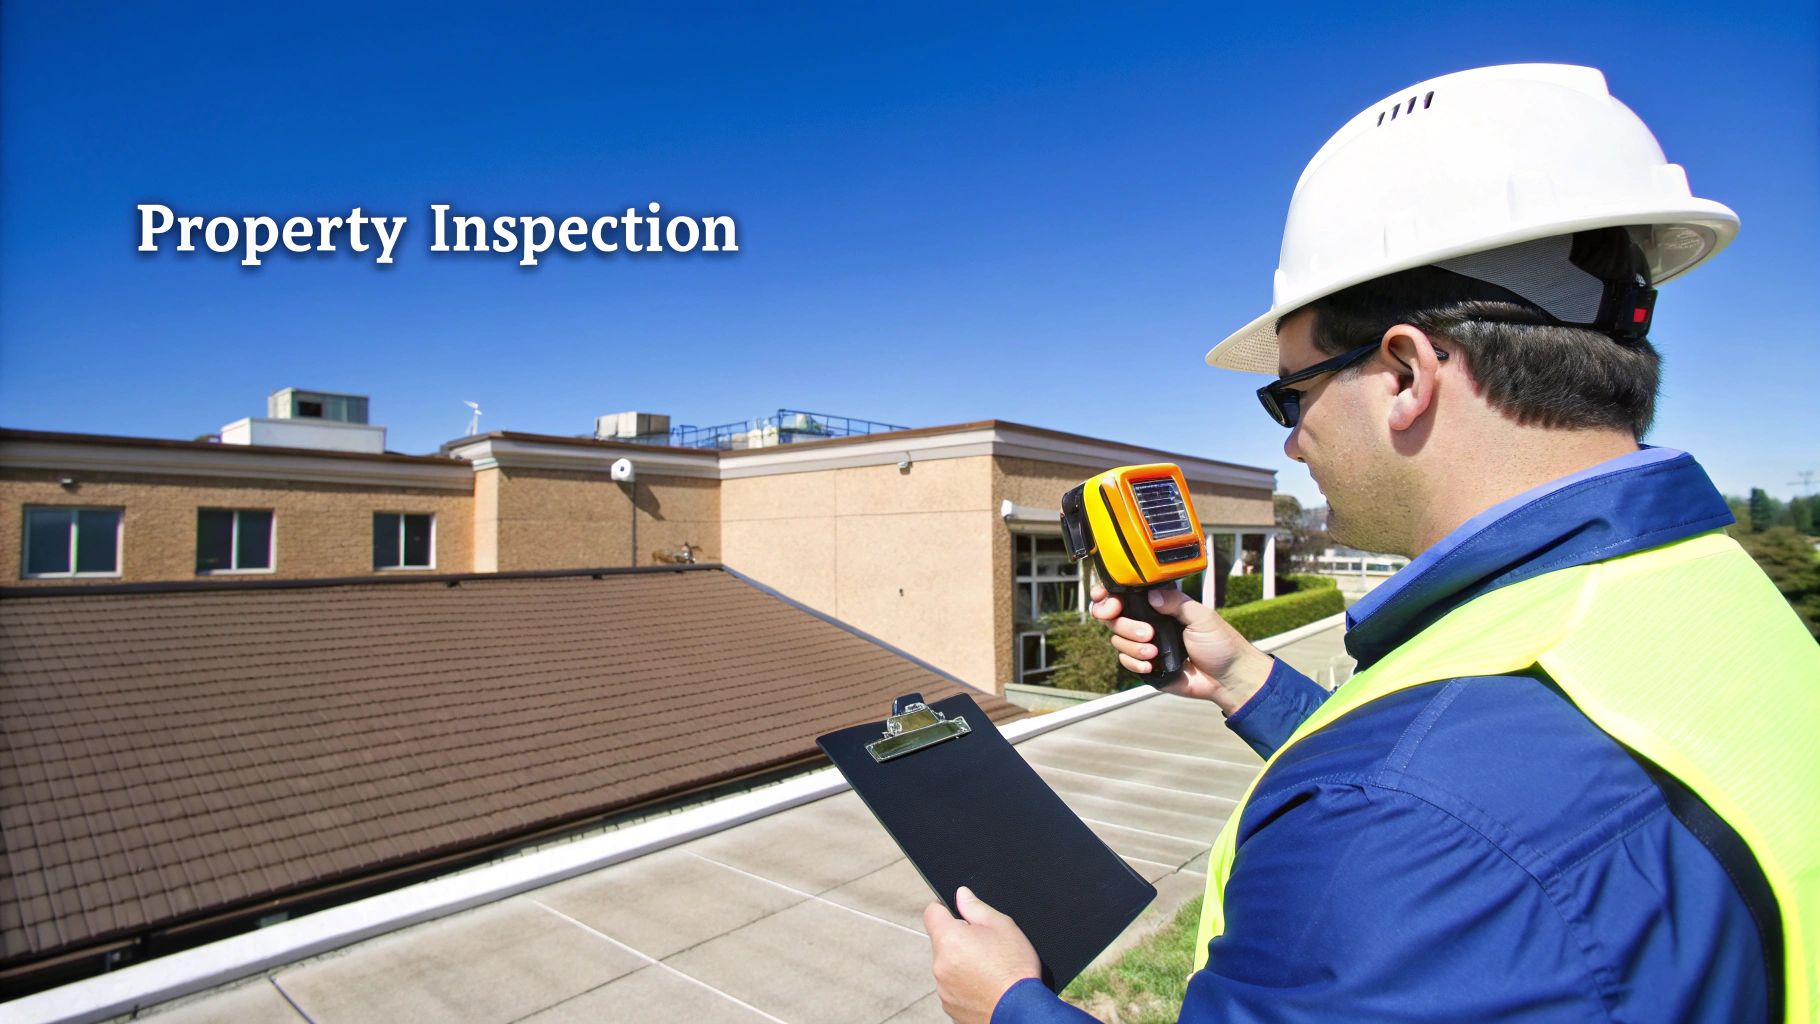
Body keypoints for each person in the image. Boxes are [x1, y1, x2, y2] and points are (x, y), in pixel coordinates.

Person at [923, 64, 1819, 1024]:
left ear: (1403, 372)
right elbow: (1497, 757)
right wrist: (1250, 685)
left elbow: (1433, 788)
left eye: (1292, 393)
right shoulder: (1705, 590)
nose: (1288, 441)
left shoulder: (1392, 816)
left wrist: (1010, 1006)